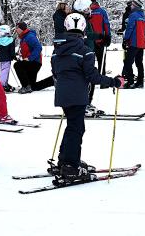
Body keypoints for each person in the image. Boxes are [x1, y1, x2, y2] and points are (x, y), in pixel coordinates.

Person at [51, 13, 124, 182]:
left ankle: (66, 159)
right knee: (76, 129)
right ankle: (70, 165)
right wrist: (114, 81)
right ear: (83, 29)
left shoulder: (57, 51)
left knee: (72, 127)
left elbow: (55, 73)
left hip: (62, 94)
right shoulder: (85, 51)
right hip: (77, 95)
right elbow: (93, 76)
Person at [122, 0, 145, 88]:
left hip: (134, 42)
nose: (131, 6)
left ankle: (130, 81)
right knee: (139, 62)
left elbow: (130, 28)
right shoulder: (144, 16)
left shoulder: (133, 15)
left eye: (132, 5)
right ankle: (140, 82)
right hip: (141, 42)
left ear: (136, 6)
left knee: (127, 62)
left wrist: (125, 39)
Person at [14, 21, 43, 94]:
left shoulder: (29, 36)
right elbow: (27, 49)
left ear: (22, 29)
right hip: (32, 63)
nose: (16, 30)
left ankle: (26, 86)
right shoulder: (24, 37)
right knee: (33, 85)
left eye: (17, 28)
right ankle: (52, 80)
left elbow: (38, 47)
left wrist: (29, 58)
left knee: (17, 65)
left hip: (34, 63)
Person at [84, 0, 111, 73]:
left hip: (89, 40)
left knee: (89, 62)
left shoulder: (86, 12)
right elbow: (106, 25)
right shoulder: (102, 11)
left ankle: (91, 82)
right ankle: (102, 80)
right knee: (101, 61)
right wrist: (108, 36)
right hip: (101, 40)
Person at [0, 25, 17, 92]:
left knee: (1, 72)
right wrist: (13, 57)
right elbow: (12, 51)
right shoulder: (11, 40)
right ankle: (2, 85)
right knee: (5, 72)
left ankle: (4, 84)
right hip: (7, 59)